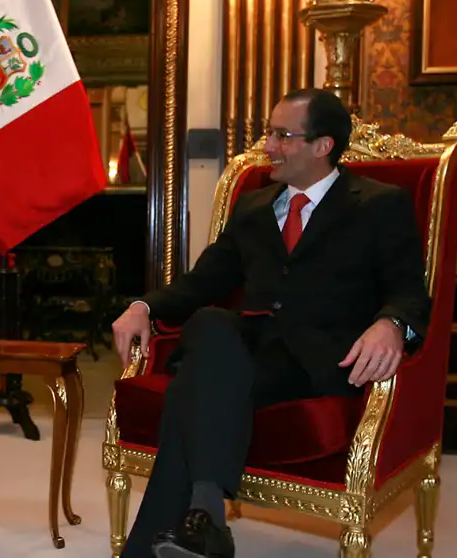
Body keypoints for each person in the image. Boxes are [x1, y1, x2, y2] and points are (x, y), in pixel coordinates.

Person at [111, 89, 430, 558]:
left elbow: (408, 291)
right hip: (250, 351)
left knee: (189, 388)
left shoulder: (379, 205)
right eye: (268, 132)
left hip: (319, 361)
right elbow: (203, 282)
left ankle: (185, 532)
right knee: (210, 322)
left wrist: (391, 325)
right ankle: (206, 517)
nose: (268, 145)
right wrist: (144, 307)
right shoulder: (253, 206)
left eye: (282, 135)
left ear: (322, 146)